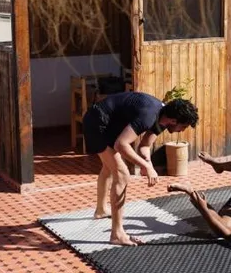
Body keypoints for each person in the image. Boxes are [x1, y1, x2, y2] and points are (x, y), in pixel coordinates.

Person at [83, 91, 199, 246]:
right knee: (122, 174)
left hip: (109, 123)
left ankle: (101, 210)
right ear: (173, 120)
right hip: (96, 121)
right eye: (183, 126)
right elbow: (121, 144)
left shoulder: (162, 119)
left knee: (110, 167)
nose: (182, 131)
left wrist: (148, 164)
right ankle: (117, 234)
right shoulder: (148, 115)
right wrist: (144, 165)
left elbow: (144, 146)